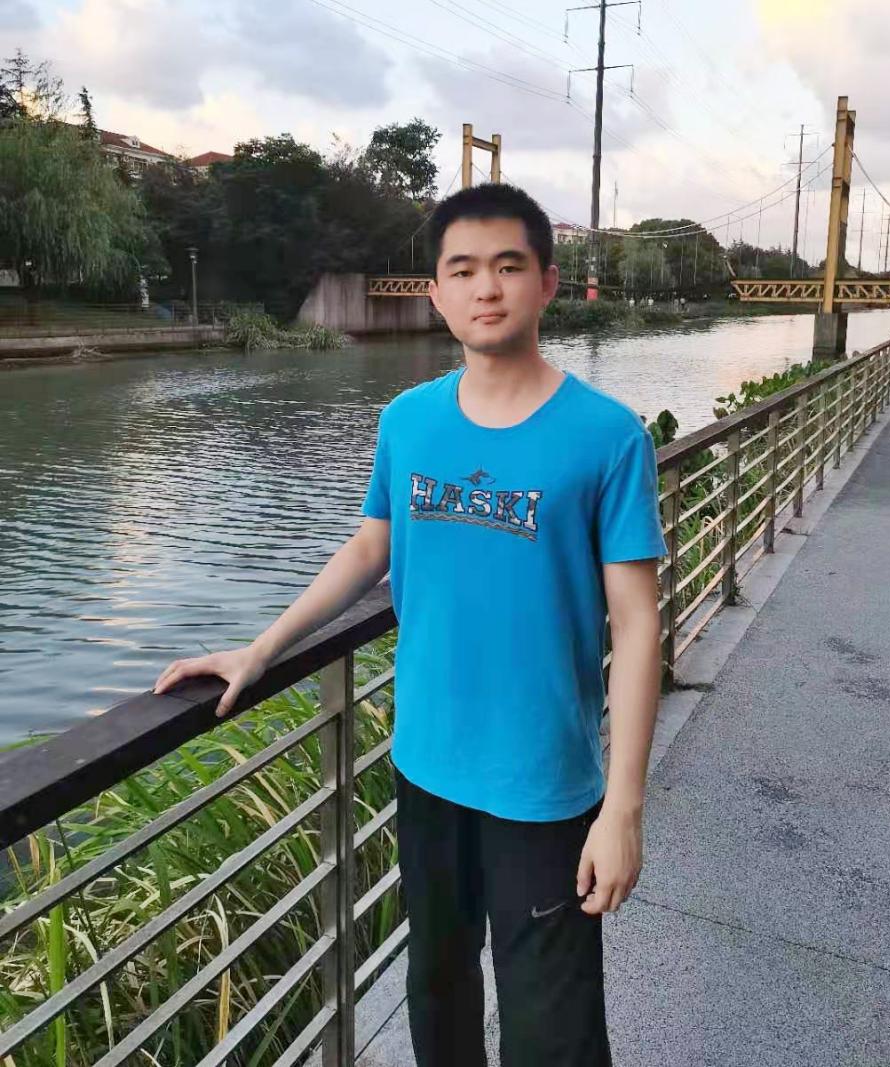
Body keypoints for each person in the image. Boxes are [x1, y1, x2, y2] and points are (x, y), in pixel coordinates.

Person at [151, 182, 667, 1067]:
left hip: (543, 783)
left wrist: (622, 807)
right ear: (435, 292)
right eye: (461, 270)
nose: (485, 288)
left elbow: (638, 624)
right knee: (436, 991)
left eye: (507, 266)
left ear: (547, 281)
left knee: (553, 1028)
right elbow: (369, 548)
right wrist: (260, 647)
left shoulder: (608, 436)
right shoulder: (408, 420)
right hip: (425, 764)